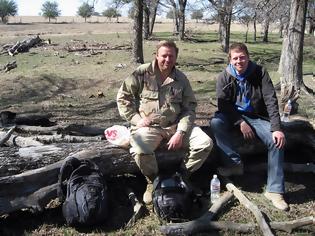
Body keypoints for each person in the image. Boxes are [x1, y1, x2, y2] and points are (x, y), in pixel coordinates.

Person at [117, 40, 213, 204]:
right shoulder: (142, 73)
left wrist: (180, 132)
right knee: (140, 149)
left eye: (171, 56)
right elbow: (123, 97)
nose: (167, 60)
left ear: (176, 58)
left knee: (205, 143)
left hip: (176, 125)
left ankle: (182, 176)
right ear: (156, 55)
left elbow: (189, 108)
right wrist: (137, 120)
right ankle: (153, 182)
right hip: (150, 127)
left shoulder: (181, 79)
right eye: (164, 55)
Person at [210, 42, 289, 211]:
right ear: (230, 60)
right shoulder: (224, 76)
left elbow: (270, 100)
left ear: (248, 57)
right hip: (232, 115)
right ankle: (234, 165)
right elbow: (223, 105)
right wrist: (240, 122)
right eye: (235, 58)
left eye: (242, 57)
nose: (239, 61)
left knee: (276, 141)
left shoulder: (260, 72)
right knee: (215, 123)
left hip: (257, 116)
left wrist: (276, 128)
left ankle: (274, 191)